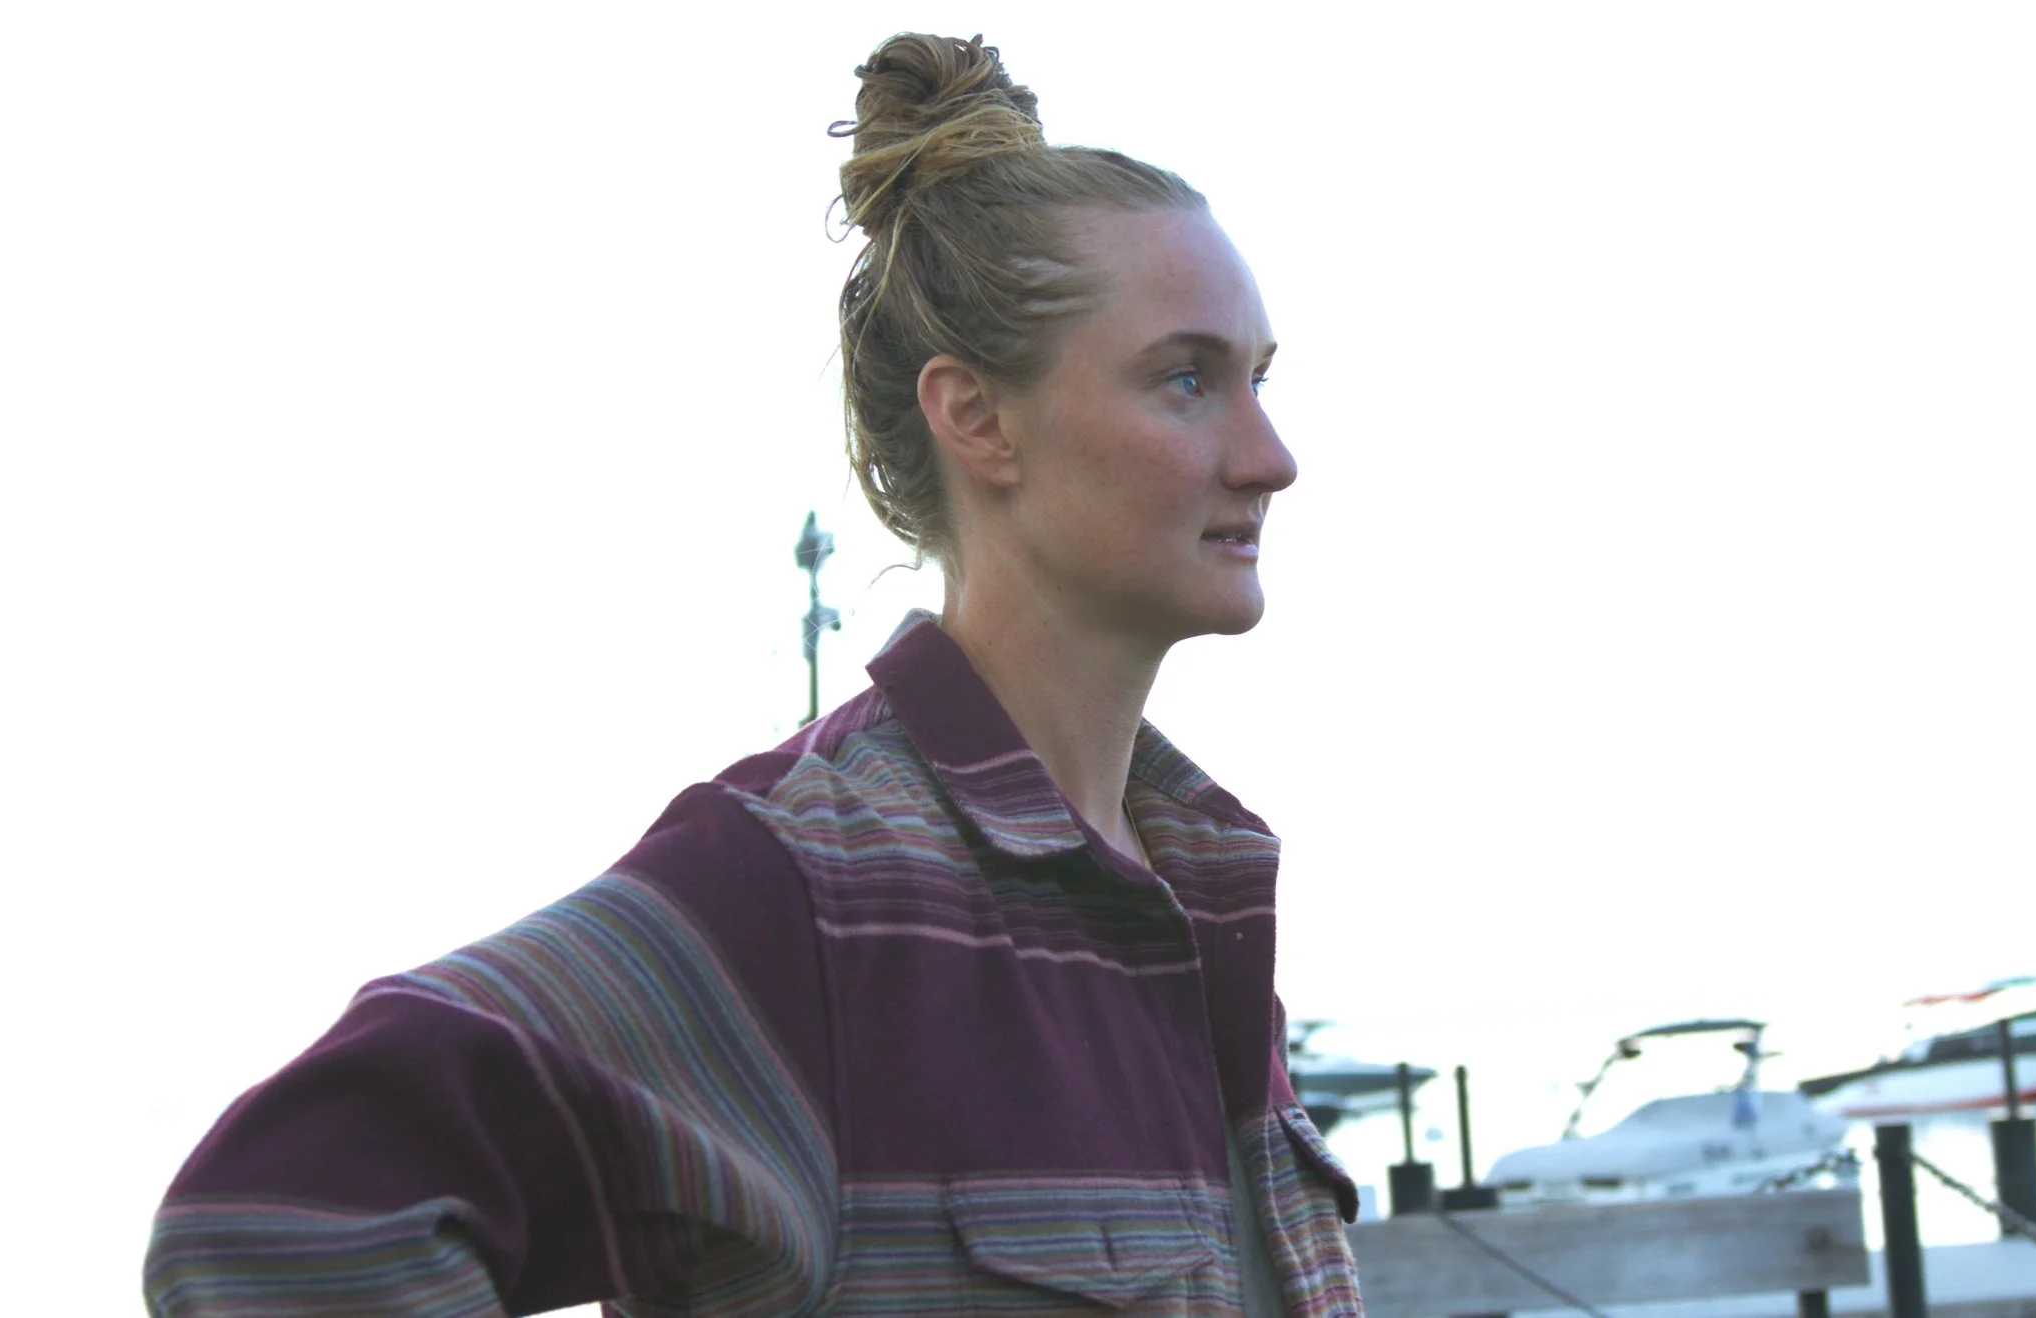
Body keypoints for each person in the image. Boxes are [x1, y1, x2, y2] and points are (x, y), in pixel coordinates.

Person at [144, 32, 1360, 1317]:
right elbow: (282, 1219)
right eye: (1186, 380)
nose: (1269, 456)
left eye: (1260, 381)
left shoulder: (1196, 902)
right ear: (978, 418)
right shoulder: (805, 890)